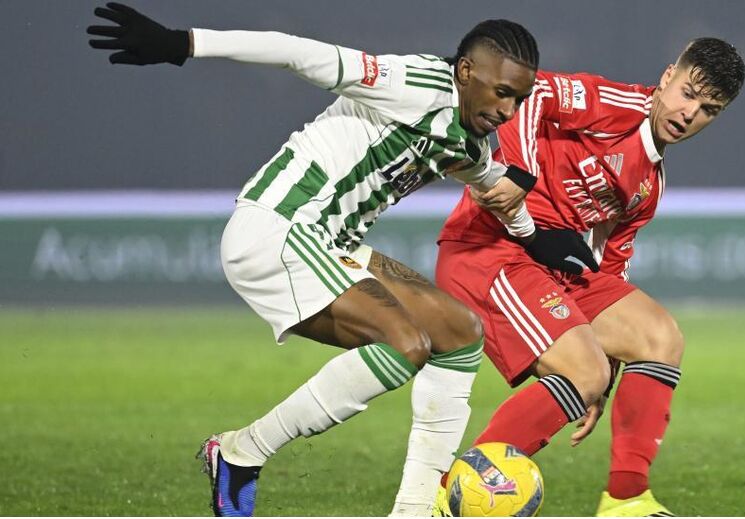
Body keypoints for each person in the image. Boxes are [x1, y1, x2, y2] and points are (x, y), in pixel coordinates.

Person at [87, 3, 595, 516]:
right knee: (405, 344)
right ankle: (243, 452)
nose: (508, 110)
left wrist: (535, 239)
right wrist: (185, 43)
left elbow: (493, 187)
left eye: (519, 99)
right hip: (278, 227)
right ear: (466, 71)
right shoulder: (413, 83)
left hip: (331, 244)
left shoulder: (469, 140)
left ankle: (415, 509)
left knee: (461, 335)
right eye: (502, 92)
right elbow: (296, 52)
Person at [435, 38, 745, 516]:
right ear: (667, 77)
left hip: (548, 266)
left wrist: (607, 375)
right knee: (582, 371)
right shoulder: (614, 105)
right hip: (489, 249)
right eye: (687, 93)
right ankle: (449, 495)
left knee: (658, 337)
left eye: (709, 110)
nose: (689, 114)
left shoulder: (649, 184)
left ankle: (626, 499)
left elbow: (608, 269)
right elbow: (532, 93)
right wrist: (522, 173)